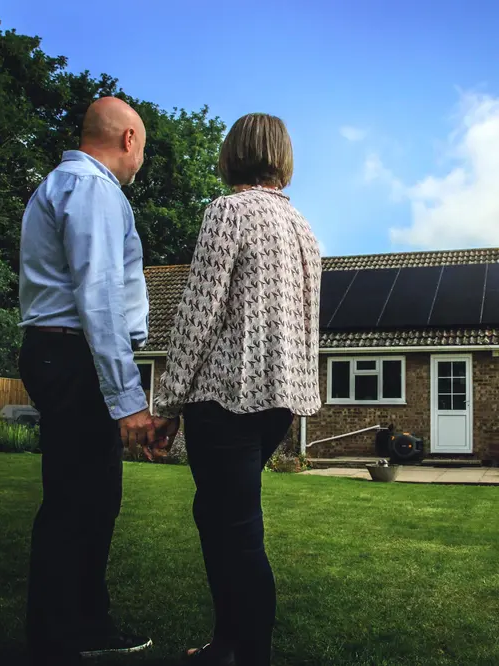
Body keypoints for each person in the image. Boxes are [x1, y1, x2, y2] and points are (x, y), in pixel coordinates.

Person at [154, 113, 322, 666]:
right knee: (220, 520)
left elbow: (198, 313)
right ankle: (227, 642)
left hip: (225, 398)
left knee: (238, 533)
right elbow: (307, 324)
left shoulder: (227, 213)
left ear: (234, 153)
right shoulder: (304, 229)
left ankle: (250, 653)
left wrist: (170, 402)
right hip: (280, 402)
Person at [19, 97, 158, 666]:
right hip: (76, 356)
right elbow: (99, 299)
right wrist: (128, 402)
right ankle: (70, 632)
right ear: (128, 140)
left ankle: (67, 624)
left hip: (58, 354)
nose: (140, 160)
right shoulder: (95, 189)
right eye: (143, 148)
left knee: (77, 499)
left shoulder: (57, 183)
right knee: (85, 501)